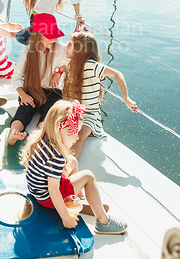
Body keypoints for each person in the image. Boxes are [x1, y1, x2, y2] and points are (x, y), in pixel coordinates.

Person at [22, 99, 128, 234]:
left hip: (36, 189)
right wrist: (66, 218)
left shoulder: (40, 138)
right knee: (88, 176)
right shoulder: (55, 157)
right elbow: (53, 191)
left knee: (72, 161)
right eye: (72, 132)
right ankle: (103, 222)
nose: (77, 137)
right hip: (46, 198)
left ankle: (78, 198)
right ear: (57, 128)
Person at [57, 30, 137, 158]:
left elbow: (118, 74)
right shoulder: (72, 64)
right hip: (72, 111)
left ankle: (67, 168)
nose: (66, 47)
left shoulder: (92, 66)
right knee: (55, 130)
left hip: (89, 115)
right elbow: (64, 68)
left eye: (70, 44)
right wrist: (58, 72)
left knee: (78, 136)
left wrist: (126, 98)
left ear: (80, 48)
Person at [8, 13, 66, 146]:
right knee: (24, 110)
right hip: (31, 90)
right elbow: (17, 78)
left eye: (54, 35)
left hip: (53, 91)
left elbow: (72, 63)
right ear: (37, 35)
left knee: (49, 114)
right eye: (49, 35)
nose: (53, 39)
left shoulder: (61, 48)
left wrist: (59, 71)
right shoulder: (27, 52)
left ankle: (40, 133)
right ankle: (14, 132)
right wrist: (23, 95)